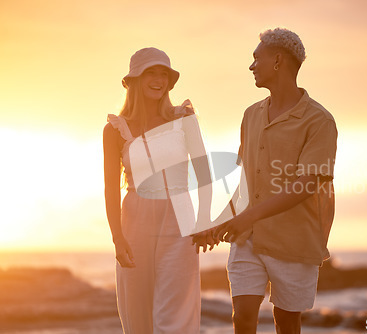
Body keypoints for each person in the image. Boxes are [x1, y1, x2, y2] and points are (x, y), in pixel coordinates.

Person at [215, 28, 338, 334]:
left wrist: (248, 216)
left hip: (294, 239)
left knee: (286, 321)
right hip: (248, 237)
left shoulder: (319, 121)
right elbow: (244, 176)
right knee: (242, 317)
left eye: (257, 58)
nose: (252, 65)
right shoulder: (251, 115)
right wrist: (221, 219)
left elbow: (306, 184)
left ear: (278, 61)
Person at [103, 47, 212, 333]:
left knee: (173, 317)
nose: (158, 79)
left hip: (179, 217)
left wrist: (204, 220)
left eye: (163, 73)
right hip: (134, 218)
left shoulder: (184, 119)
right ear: (135, 79)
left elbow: (204, 174)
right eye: (150, 72)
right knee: (137, 315)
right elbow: (111, 188)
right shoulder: (115, 129)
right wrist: (117, 237)